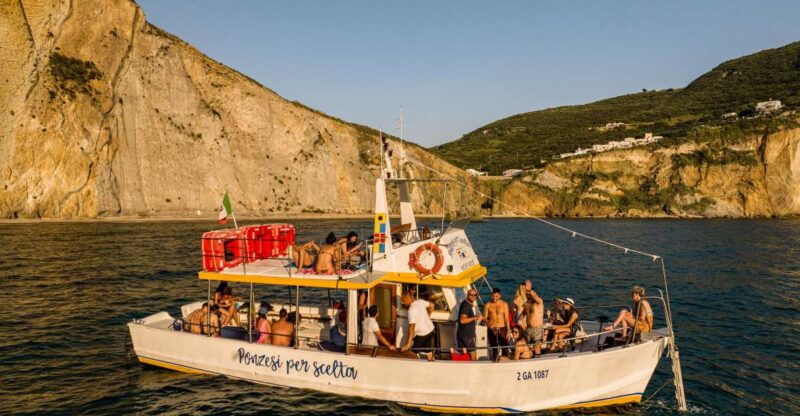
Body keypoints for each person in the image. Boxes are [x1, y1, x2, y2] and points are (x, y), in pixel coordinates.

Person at [401, 291, 437, 361]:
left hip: (422, 335)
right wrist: (428, 317)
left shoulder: (411, 310)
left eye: (403, 300)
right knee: (428, 351)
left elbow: (412, 327)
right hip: (431, 331)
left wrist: (408, 344)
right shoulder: (420, 302)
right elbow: (432, 305)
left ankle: (414, 369)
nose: (403, 302)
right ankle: (433, 364)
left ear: (407, 299)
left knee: (411, 354)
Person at [484, 288, 511, 360]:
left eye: (496, 296)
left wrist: (508, 330)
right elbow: (485, 318)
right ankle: (494, 362)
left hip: (502, 328)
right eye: (493, 296)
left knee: (505, 348)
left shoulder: (504, 304)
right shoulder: (488, 305)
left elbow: (506, 319)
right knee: (494, 348)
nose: (494, 298)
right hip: (492, 329)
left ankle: (505, 363)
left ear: (499, 296)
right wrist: (491, 325)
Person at [519, 280, 545, 355]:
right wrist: (521, 318)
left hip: (537, 329)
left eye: (529, 294)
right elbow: (523, 314)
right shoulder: (526, 304)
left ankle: (538, 361)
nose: (528, 295)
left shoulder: (539, 302)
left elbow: (534, 295)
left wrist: (529, 289)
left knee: (537, 348)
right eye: (527, 294)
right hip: (528, 329)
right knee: (527, 349)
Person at [456, 289, 483, 361]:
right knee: (473, 357)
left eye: (474, 295)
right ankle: (474, 371)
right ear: (467, 295)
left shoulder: (465, 303)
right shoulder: (466, 306)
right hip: (467, 336)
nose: (473, 296)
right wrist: (475, 317)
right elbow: (462, 320)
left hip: (462, 334)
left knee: (464, 356)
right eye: (471, 295)